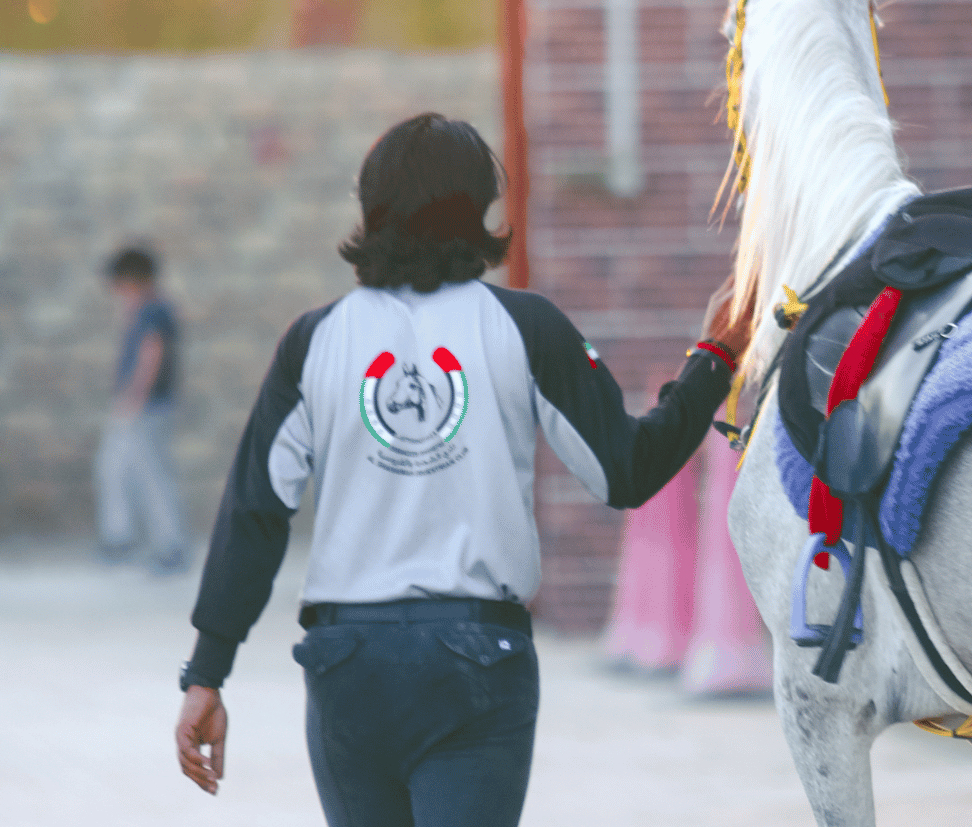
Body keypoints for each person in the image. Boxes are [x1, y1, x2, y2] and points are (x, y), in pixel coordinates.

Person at [173, 113, 748, 827]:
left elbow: (254, 513)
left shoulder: (314, 341)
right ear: (478, 208)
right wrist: (715, 357)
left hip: (347, 661)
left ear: (371, 208)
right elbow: (626, 471)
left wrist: (207, 673)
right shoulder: (526, 327)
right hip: (476, 658)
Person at [96, 246, 188, 573]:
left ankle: (169, 546)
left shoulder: (152, 311)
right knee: (118, 469)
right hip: (142, 407)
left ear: (132, 280)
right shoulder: (148, 310)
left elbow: (152, 353)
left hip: (146, 408)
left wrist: (134, 398)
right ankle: (122, 539)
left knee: (152, 476)